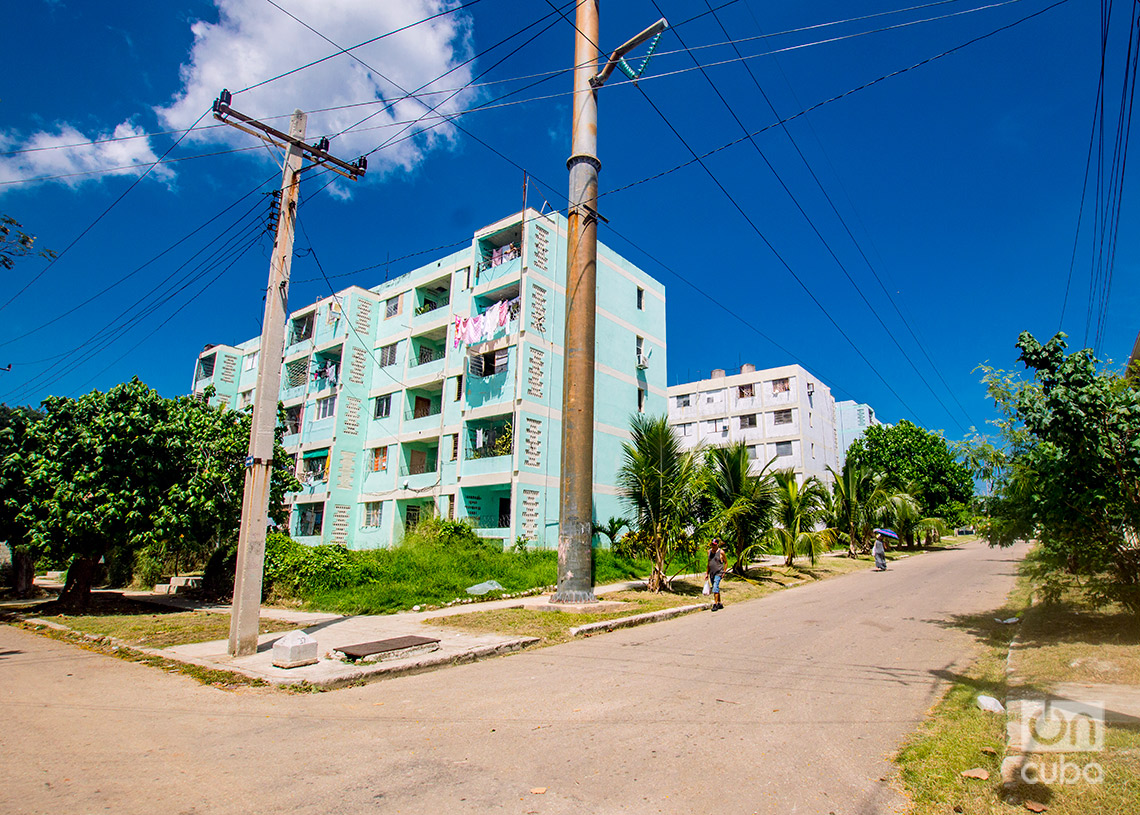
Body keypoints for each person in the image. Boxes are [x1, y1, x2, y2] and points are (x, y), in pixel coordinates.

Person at [707, 537, 727, 611]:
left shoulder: (721, 552)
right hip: (712, 573)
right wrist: (707, 573)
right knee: (716, 588)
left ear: (717, 545)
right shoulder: (709, 552)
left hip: (719, 573)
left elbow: (726, 563)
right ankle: (719, 603)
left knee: (715, 587)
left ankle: (715, 604)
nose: (713, 546)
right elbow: (708, 563)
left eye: (714, 545)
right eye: (712, 545)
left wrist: (724, 572)